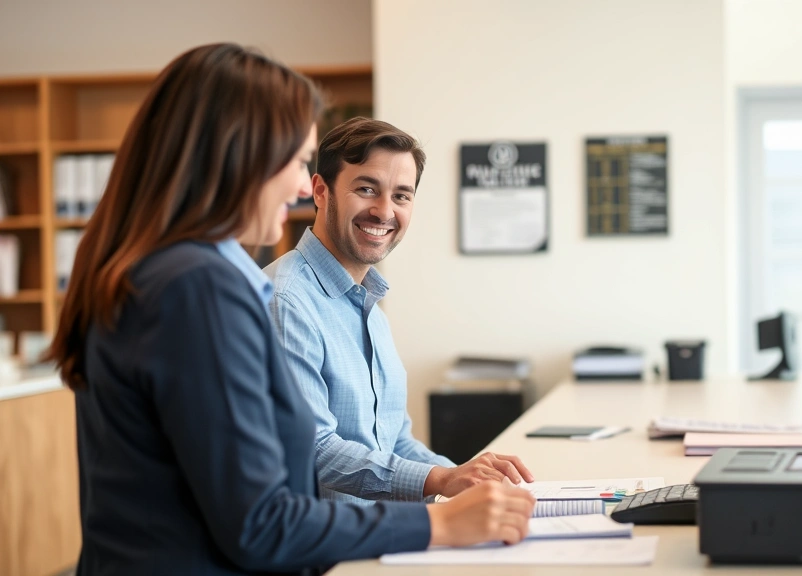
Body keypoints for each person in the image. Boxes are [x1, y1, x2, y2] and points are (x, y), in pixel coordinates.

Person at [49, 43, 534, 576]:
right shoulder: (199, 289)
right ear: (238, 155)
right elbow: (262, 522)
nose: (305, 185)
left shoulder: (168, 273)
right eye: (299, 162)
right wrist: (440, 524)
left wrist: (457, 486)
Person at [264, 117, 535, 506]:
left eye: (401, 196)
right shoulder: (286, 298)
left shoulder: (368, 303)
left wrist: (471, 481)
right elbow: (314, 450)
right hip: (328, 558)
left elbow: (396, 440)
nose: (383, 211)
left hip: (378, 536)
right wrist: (440, 479)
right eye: (366, 189)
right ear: (321, 192)